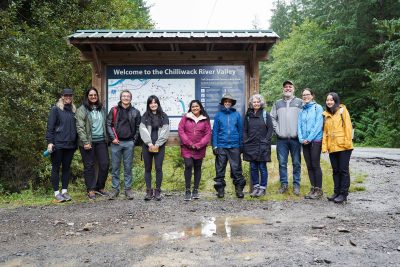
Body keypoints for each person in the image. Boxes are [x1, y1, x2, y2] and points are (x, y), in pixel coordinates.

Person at [106, 90, 141, 200]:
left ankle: (128, 189)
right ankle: (115, 189)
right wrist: (113, 138)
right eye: (124, 96)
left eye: (128, 96)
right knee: (115, 167)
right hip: (116, 143)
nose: (126, 98)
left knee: (128, 167)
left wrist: (133, 141)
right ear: (121, 98)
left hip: (129, 143)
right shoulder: (114, 110)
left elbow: (138, 128)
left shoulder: (135, 112)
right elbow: (108, 124)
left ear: (131, 98)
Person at [76, 87, 109, 200]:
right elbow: (80, 127)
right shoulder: (82, 110)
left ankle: (99, 187)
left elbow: (106, 124)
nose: (93, 97)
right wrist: (85, 141)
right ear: (87, 96)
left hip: (101, 141)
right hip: (87, 142)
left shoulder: (102, 109)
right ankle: (90, 189)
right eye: (91, 95)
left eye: (95, 95)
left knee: (104, 164)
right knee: (89, 166)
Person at [270, 80, 303, 195]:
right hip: (281, 139)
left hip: (296, 138)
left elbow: (305, 118)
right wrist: (277, 130)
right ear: (283, 89)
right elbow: (272, 117)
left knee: (296, 162)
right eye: (285, 87)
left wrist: (301, 132)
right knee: (282, 163)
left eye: (290, 87)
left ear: (293, 89)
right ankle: (284, 185)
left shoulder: (300, 102)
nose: (287, 88)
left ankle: (296, 185)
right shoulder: (277, 103)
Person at [45, 88, 77, 203]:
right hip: (58, 144)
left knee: (67, 168)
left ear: (72, 97)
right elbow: (50, 127)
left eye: (70, 95)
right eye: (66, 95)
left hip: (70, 145)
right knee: (56, 168)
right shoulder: (56, 109)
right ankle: (56, 193)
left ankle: (64, 191)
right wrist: (50, 142)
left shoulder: (73, 110)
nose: (68, 97)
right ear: (62, 96)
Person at [212, 93, 246, 198]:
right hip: (221, 145)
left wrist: (241, 145)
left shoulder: (237, 115)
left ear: (231, 103)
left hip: (234, 145)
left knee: (236, 169)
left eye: (229, 102)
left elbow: (241, 130)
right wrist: (215, 146)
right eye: (225, 101)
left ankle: (239, 190)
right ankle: (220, 190)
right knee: (220, 169)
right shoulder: (218, 115)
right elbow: (215, 132)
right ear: (223, 103)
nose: (227, 103)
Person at [322, 92, 354, 203]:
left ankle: (343, 194)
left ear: (336, 101)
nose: (329, 102)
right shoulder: (326, 115)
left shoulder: (342, 111)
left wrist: (346, 143)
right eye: (327, 100)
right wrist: (325, 146)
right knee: (335, 171)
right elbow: (325, 132)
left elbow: (348, 127)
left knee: (343, 170)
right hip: (332, 147)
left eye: (331, 100)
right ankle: (336, 192)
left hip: (344, 147)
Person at [178, 100, 211, 201]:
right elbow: (181, 130)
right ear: (190, 108)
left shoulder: (205, 119)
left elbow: (208, 134)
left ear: (200, 107)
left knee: (197, 167)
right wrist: (189, 143)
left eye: (197, 106)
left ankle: (195, 190)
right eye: (193, 107)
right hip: (187, 148)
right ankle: (187, 190)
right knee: (188, 166)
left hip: (199, 148)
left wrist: (199, 145)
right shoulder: (185, 118)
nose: (195, 108)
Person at [139, 95, 170, 201]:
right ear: (148, 105)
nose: (153, 104)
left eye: (155, 102)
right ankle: (148, 191)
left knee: (158, 168)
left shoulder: (164, 116)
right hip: (147, 146)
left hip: (159, 147)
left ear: (158, 103)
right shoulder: (145, 116)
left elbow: (166, 131)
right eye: (151, 103)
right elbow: (142, 129)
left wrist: (157, 144)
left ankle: (157, 191)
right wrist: (149, 143)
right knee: (147, 168)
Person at [243, 94, 273, 197]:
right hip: (251, 145)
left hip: (262, 145)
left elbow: (270, 129)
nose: (256, 103)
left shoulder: (265, 114)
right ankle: (255, 187)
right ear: (251, 103)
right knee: (253, 167)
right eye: (254, 102)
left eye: (258, 102)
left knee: (262, 167)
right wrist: (246, 140)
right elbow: (245, 130)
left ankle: (262, 188)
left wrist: (266, 140)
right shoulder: (248, 116)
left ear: (261, 103)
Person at [298, 88, 324, 199]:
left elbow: (319, 125)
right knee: (309, 166)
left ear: (312, 96)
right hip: (304, 142)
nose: (305, 97)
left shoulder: (317, 108)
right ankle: (312, 189)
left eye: (307, 94)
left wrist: (309, 138)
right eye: (303, 95)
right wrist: (301, 138)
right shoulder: (301, 110)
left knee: (315, 164)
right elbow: (298, 126)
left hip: (315, 141)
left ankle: (319, 190)